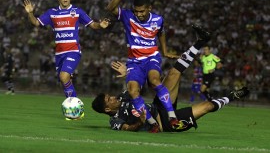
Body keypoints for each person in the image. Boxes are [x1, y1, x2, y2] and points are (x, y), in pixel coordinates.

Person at [92, 25, 249, 133]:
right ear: (107, 109)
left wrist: (128, 73)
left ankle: (202, 40)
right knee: (207, 106)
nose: (113, 97)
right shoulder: (115, 121)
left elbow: (137, 88)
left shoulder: (122, 97)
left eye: (109, 96)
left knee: (174, 72)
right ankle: (231, 97)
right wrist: (140, 122)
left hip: (158, 106)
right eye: (109, 99)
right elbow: (127, 129)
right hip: (164, 125)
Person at [105, 0, 182, 132]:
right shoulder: (128, 16)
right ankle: (152, 123)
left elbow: (161, 33)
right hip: (134, 62)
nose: (139, 14)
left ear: (149, 8)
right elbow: (110, 8)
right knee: (133, 91)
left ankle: (172, 117)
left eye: (142, 11)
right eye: (137, 11)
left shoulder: (158, 19)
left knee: (154, 80)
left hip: (152, 57)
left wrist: (164, 51)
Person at [23, 0, 109, 100]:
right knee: (65, 81)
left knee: (64, 77)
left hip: (73, 50)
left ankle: (75, 107)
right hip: (59, 54)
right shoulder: (51, 13)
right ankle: (72, 107)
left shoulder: (77, 12)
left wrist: (100, 25)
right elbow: (36, 23)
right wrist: (30, 13)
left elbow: (93, 24)